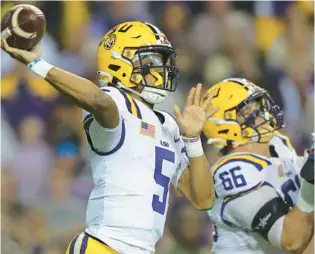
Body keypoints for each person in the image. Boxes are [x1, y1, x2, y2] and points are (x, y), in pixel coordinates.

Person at [1, 21, 218, 254]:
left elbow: (203, 199)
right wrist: (37, 64)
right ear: (119, 63)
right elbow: (97, 100)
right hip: (104, 246)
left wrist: (193, 140)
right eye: (150, 62)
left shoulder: (169, 125)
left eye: (162, 62)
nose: (160, 70)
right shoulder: (115, 102)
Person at [200, 78, 314, 254]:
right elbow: (291, 240)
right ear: (223, 127)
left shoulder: (277, 144)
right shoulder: (233, 172)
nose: (263, 114)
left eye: (259, 106)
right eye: (249, 112)